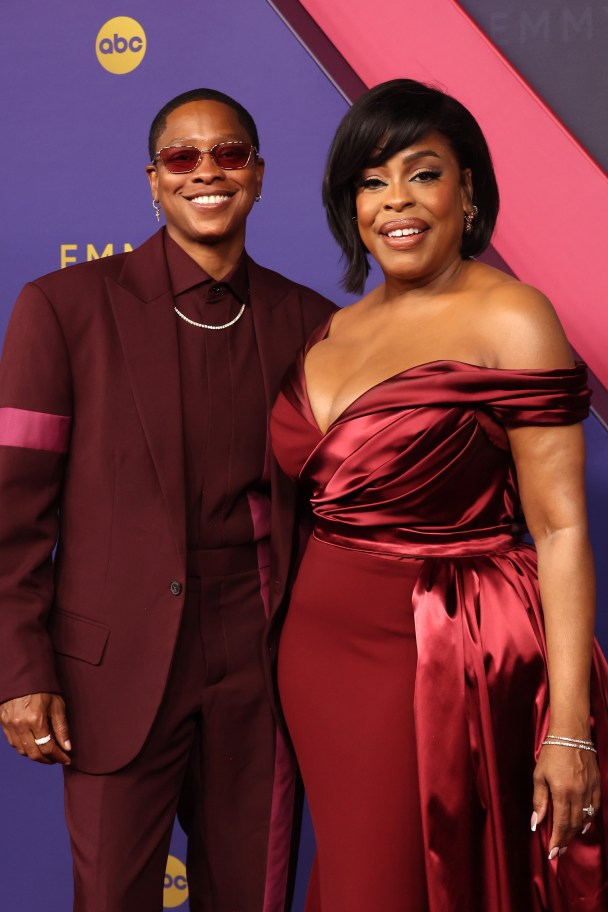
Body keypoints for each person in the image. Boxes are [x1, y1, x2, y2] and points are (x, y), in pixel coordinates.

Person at [270, 78, 608, 911]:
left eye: (423, 174)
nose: (396, 200)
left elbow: (561, 529)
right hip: (316, 654)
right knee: (356, 874)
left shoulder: (514, 319)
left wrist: (570, 726)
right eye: (372, 181)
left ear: (469, 193)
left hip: (439, 648)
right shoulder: (334, 328)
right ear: (351, 206)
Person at [0, 88, 334, 912]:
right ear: (153, 182)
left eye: (228, 155)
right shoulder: (63, 309)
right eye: (183, 158)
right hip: (110, 670)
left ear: (258, 174)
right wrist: (19, 670)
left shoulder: (315, 322)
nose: (206, 173)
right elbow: (13, 517)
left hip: (263, 670)